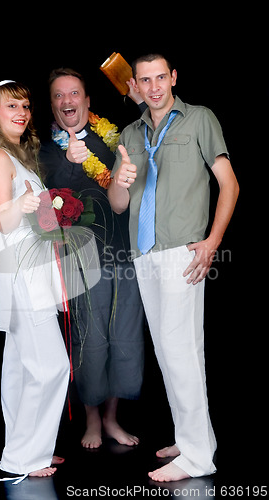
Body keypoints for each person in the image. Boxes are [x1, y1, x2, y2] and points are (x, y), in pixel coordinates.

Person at [108, 54, 239, 482]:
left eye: (160, 77)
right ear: (137, 85)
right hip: (144, 253)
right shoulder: (130, 132)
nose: (153, 86)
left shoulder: (199, 118)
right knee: (172, 352)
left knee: (179, 350)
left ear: (173, 78)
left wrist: (213, 242)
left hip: (183, 252)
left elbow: (229, 183)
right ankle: (192, 438)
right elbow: (118, 204)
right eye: (144, 80)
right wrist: (120, 183)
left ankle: (198, 458)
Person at [40, 68, 145, 449]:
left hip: (124, 254)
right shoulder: (45, 149)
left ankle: (113, 418)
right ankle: (92, 422)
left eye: (74, 94)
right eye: (59, 96)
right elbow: (47, 209)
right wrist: (69, 159)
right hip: (80, 258)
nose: (67, 101)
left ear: (87, 101)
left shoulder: (113, 138)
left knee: (125, 338)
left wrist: (137, 98)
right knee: (90, 341)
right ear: (53, 105)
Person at [0, 80, 70, 480]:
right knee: (51, 367)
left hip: (33, 270)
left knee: (18, 369)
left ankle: (21, 447)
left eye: (26, 106)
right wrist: (24, 204)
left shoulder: (22, 161)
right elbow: (3, 220)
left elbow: (41, 223)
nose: (21, 112)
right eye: (11, 105)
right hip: (21, 276)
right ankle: (26, 458)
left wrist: (58, 215)